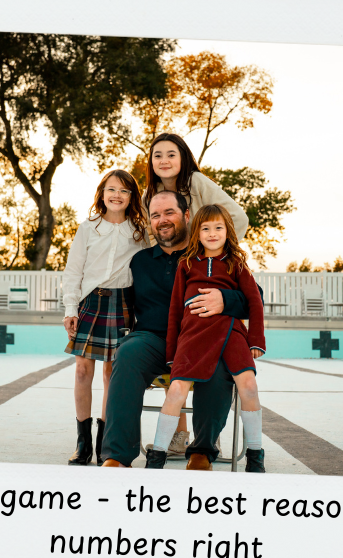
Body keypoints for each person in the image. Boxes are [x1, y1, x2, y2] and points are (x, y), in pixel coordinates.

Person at [100, 190, 258, 470]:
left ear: (186, 215)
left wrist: (225, 300)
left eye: (169, 212)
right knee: (126, 354)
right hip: (153, 340)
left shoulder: (207, 253)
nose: (162, 220)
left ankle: (202, 450)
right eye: (155, 215)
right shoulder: (140, 261)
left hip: (201, 338)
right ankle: (117, 455)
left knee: (219, 363)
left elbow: (254, 296)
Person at [141, 132, 251, 455]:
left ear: (182, 157)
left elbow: (239, 218)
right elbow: (150, 236)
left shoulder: (197, 183)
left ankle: (208, 436)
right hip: (171, 277)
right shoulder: (152, 194)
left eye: (171, 154)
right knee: (175, 347)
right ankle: (178, 435)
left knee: (210, 357)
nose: (164, 160)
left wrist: (212, 252)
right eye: (157, 154)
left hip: (202, 274)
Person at [146, 204, 266, 472]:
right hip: (193, 334)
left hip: (230, 332)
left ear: (228, 231)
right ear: (197, 233)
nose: (213, 233)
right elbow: (175, 310)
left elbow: (254, 302)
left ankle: (256, 456)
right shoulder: (187, 265)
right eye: (206, 228)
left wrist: (256, 340)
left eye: (218, 227)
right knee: (177, 389)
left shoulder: (236, 264)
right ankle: (157, 458)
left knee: (248, 386)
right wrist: (171, 353)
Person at [61, 169, 149, 466]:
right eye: (111, 189)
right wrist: (70, 309)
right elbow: (73, 271)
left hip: (122, 304)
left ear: (131, 197)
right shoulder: (88, 228)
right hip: (90, 303)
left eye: (124, 191)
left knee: (113, 374)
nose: (116, 195)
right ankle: (82, 443)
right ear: (102, 193)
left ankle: (104, 442)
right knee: (82, 372)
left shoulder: (140, 231)